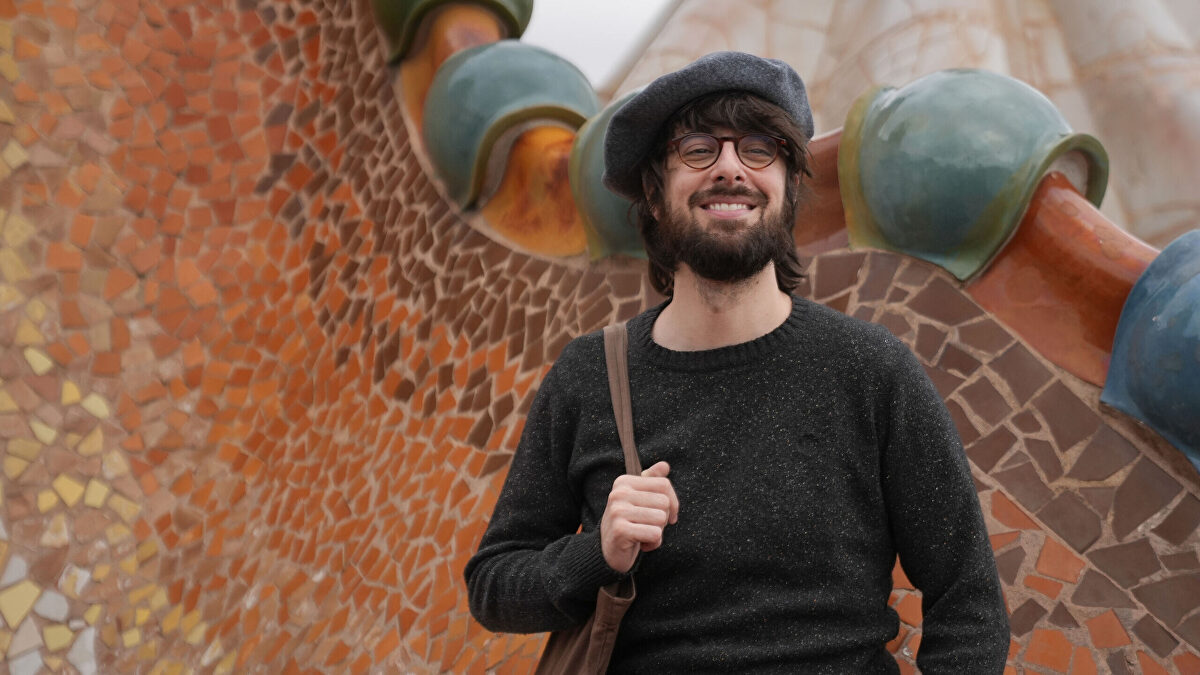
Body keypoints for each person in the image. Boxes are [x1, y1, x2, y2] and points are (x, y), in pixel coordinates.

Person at [464, 51, 1009, 673]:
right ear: (655, 193)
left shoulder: (870, 370)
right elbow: (493, 586)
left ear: (789, 186)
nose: (730, 168)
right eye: (698, 150)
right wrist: (598, 555)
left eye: (760, 148)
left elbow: (968, 602)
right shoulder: (589, 375)